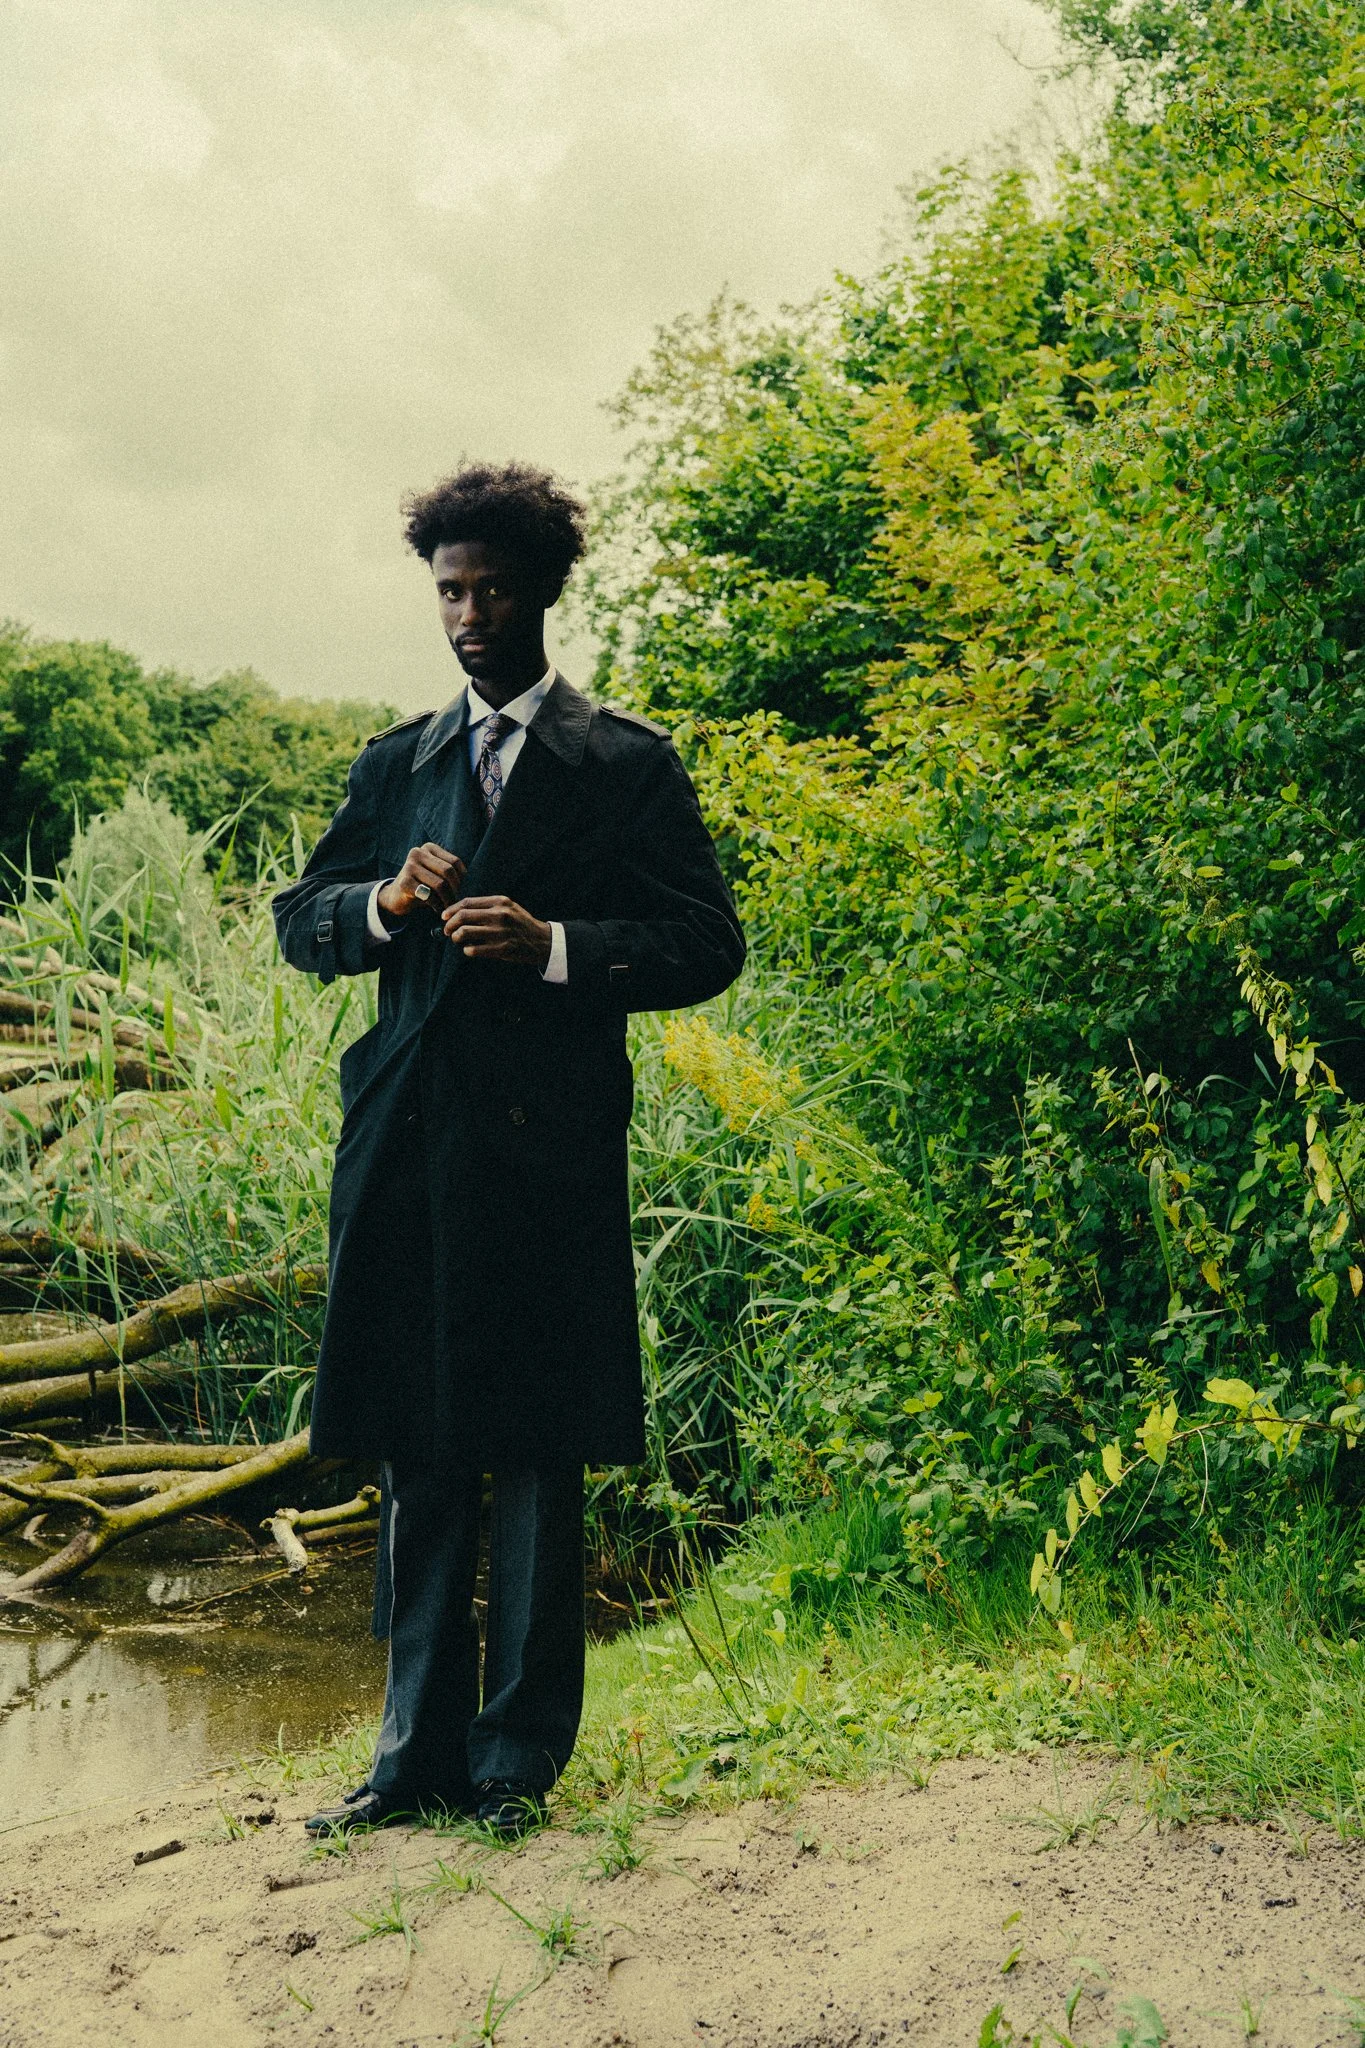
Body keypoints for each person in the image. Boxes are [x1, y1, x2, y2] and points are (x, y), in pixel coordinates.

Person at [272, 461, 745, 1838]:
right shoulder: (398, 764)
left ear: (539, 590)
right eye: (446, 591)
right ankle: (411, 1759)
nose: (465, 614)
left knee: (536, 1454)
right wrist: (375, 904)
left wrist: (555, 951)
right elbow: (300, 920)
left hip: (545, 1164)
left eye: (486, 589)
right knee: (420, 1455)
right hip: (408, 1153)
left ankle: (513, 1770)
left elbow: (709, 944)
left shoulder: (625, 766)